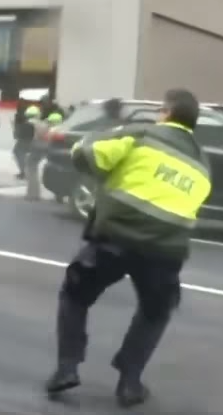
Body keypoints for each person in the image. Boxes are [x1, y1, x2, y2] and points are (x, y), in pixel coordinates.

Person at [45, 88, 212, 407]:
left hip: (115, 240)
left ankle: (67, 367)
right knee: (155, 312)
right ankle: (129, 382)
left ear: (166, 113)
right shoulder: (202, 164)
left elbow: (85, 153)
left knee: (75, 295)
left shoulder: (142, 134)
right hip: (164, 253)